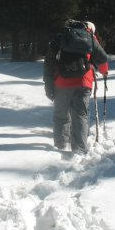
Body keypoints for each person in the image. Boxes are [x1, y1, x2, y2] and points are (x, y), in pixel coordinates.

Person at [43, 20, 109, 155]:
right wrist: (104, 71)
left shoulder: (61, 37)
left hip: (61, 82)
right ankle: (79, 149)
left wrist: (48, 84)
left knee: (61, 115)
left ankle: (60, 146)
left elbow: (49, 62)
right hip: (83, 82)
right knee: (80, 115)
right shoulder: (89, 38)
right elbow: (102, 57)